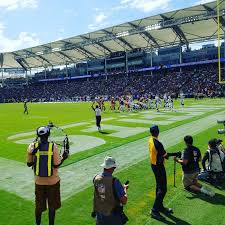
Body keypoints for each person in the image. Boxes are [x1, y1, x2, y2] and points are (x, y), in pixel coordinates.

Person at [26, 126, 69, 225]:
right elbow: (56, 165)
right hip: (53, 182)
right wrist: (64, 158)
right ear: (48, 135)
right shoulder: (53, 147)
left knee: (38, 206)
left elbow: (29, 164)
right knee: (52, 206)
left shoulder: (32, 146)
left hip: (38, 182)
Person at [148, 125, 179, 220]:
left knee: (159, 186)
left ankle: (159, 206)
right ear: (157, 132)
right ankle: (154, 210)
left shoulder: (150, 140)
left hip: (154, 165)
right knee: (163, 189)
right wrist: (176, 153)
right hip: (158, 166)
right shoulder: (158, 143)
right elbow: (165, 156)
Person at [93, 156, 129, 225]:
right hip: (111, 217)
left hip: (99, 215)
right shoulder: (115, 181)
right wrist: (125, 189)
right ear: (111, 168)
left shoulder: (95, 178)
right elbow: (124, 200)